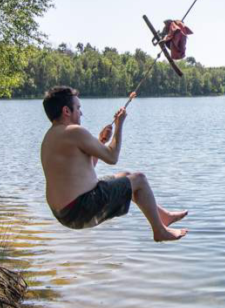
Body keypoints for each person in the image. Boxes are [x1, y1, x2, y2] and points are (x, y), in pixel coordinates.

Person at [40, 86, 188, 241]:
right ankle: (159, 231)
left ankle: (163, 217)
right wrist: (119, 125)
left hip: (63, 213)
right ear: (66, 111)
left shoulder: (50, 137)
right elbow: (112, 157)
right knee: (139, 179)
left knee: (126, 177)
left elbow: (84, 168)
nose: (81, 112)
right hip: (80, 209)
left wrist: (101, 141)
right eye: (78, 107)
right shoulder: (74, 131)